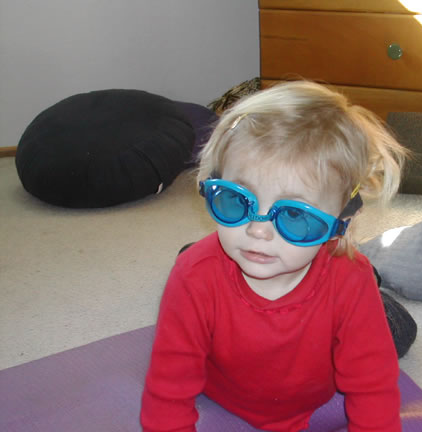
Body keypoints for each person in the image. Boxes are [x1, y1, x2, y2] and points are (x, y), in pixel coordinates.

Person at [141, 81, 407, 431]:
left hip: (338, 313)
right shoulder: (193, 278)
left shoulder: (351, 279)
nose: (258, 230)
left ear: (342, 221)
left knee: (396, 333)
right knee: (196, 265)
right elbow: (168, 389)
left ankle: (383, 301)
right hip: (224, 386)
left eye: (294, 215)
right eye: (236, 200)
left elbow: (374, 386)